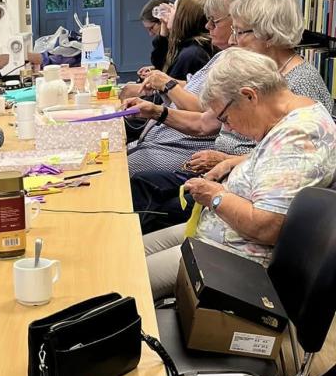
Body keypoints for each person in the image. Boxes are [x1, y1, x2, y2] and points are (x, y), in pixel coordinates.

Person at [127, 0, 335, 231]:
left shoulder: (301, 84)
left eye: (240, 32)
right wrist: (156, 111)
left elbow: (291, 164)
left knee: (153, 207)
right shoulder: (257, 70)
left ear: (269, 34)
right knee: (141, 186)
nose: (233, 40)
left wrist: (227, 162)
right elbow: (206, 122)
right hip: (225, 174)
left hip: (244, 188)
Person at [143, 48, 336, 300]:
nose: (228, 128)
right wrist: (232, 162)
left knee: (128, 277)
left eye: (225, 118)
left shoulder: (299, 136)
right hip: (222, 234)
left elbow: (267, 226)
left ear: (249, 96)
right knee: (134, 250)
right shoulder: (296, 111)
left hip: (236, 258)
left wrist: (215, 196)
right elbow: (277, 161)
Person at [140, 0, 174, 72]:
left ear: (163, 20)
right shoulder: (161, 41)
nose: (150, 34)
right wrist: (154, 69)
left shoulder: (184, 42)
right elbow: (159, 63)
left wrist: (163, 35)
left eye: (151, 28)